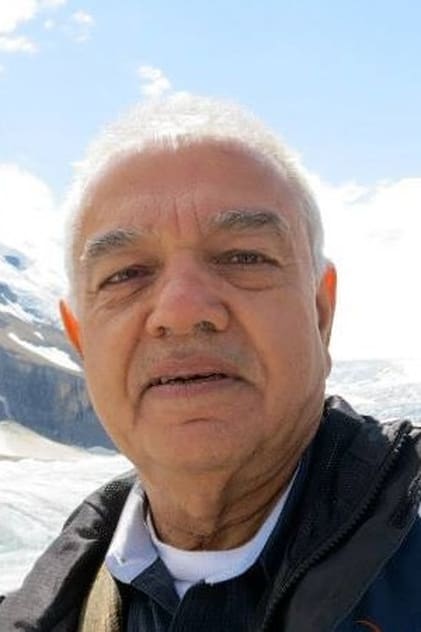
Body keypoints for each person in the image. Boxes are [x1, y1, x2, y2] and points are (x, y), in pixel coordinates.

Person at [1, 95, 420, 632]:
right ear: (81, 340)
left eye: (244, 257)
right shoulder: (40, 613)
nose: (181, 311)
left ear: (320, 312)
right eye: (126, 274)